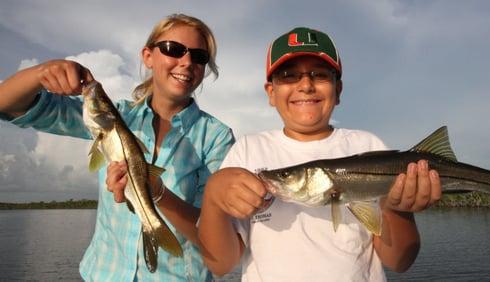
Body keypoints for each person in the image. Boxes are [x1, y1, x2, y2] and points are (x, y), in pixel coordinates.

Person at [0, 14, 234, 281]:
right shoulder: (115, 116)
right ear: (148, 56)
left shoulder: (217, 137)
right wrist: (41, 73)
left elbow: (217, 234)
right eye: (174, 49)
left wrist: (158, 194)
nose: (187, 61)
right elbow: (7, 105)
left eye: (199, 56)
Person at [197, 27, 441, 281]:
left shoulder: (368, 145)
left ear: (339, 90)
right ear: (271, 92)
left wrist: (398, 210)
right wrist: (213, 198)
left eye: (320, 75)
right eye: (289, 76)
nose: (306, 85)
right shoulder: (247, 150)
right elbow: (220, 264)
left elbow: (399, 261)